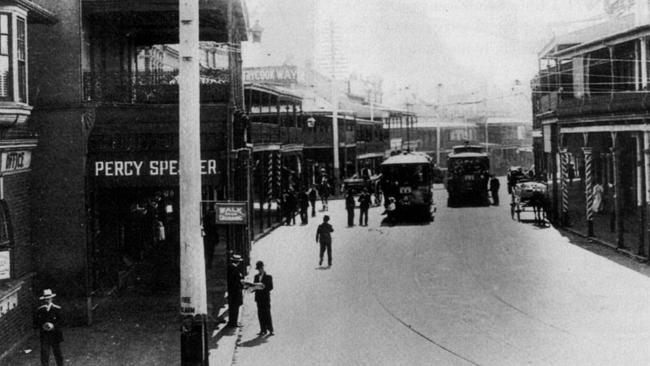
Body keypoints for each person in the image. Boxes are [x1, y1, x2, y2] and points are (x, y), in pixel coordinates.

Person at [36, 289, 64, 366]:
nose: (47, 301)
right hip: (45, 335)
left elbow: (61, 321)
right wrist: (43, 326)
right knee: (44, 353)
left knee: (57, 353)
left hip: (55, 334)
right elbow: (37, 322)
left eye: (49, 299)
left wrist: (53, 326)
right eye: (45, 299)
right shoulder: (40, 310)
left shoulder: (57, 309)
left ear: (51, 299)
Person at [252, 261, 274, 336]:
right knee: (260, 314)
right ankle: (263, 329)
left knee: (267, 313)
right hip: (258, 298)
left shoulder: (268, 277)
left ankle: (270, 329)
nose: (259, 270)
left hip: (265, 298)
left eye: (260, 268)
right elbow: (254, 287)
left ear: (263, 268)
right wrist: (250, 288)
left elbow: (271, 287)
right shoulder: (256, 277)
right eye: (258, 269)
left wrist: (263, 287)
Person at [226, 254, 244, 328]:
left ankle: (232, 322)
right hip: (236, 292)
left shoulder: (230, 267)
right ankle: (234, 323)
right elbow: (237, 281)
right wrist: (242, 284)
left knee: (232, 307)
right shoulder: (235, 269)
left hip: (231, 291)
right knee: (235, 308)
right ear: (237, 262)